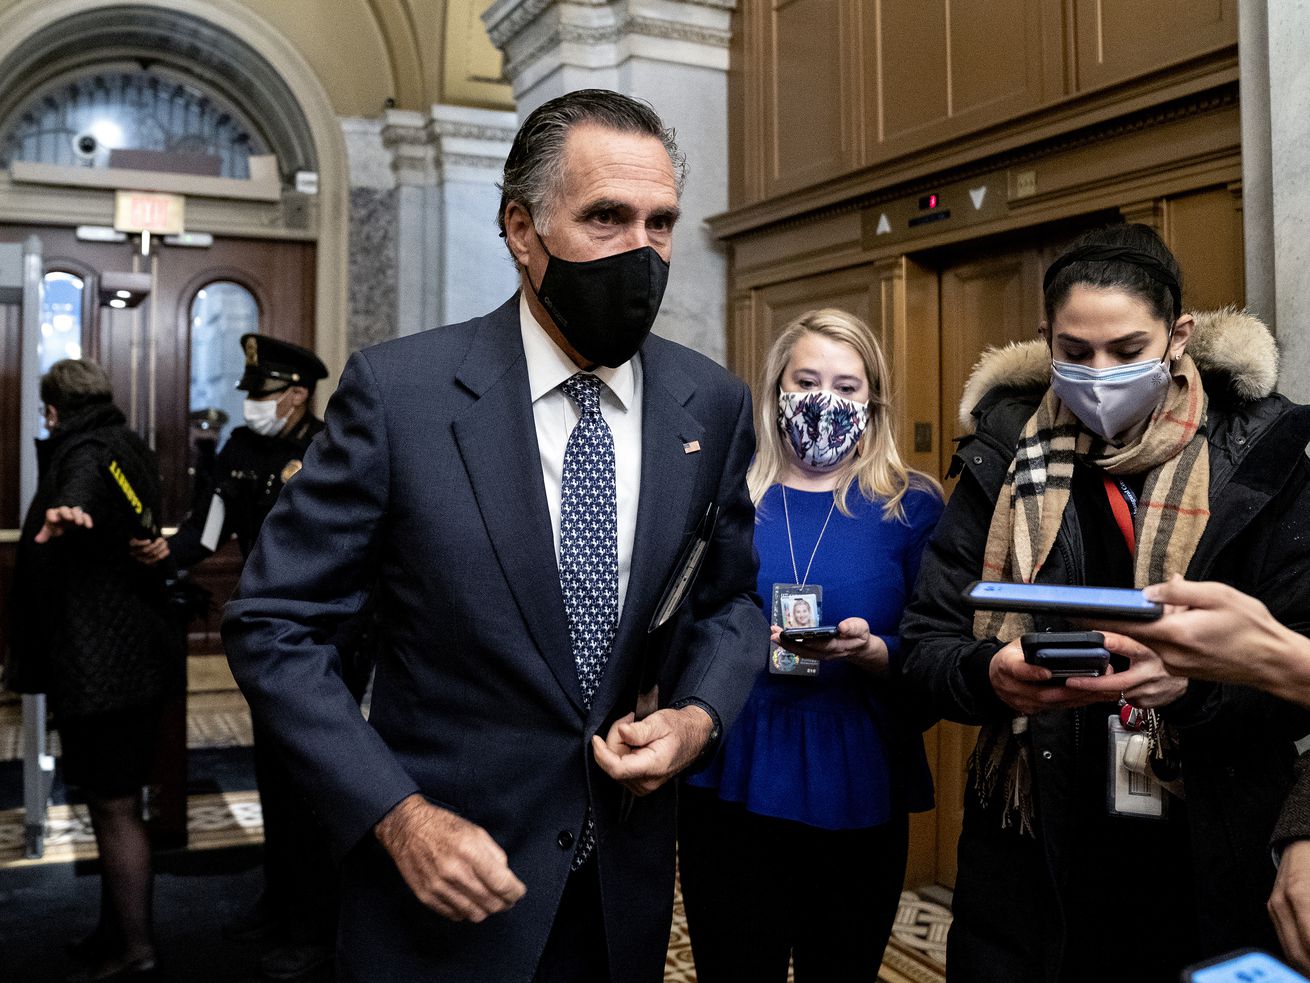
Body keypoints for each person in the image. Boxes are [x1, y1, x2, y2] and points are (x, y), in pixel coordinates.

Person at [221, 88, 766, 983]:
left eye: (660, 221)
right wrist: (396, 813)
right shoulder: (402, 397)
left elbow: (730, 601)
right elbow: (274, 626)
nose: (641, 250)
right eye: (605, 217)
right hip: (439, 892)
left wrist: (698, 716)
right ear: (522, 230)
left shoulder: (708, 402)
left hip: (619, 893)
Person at [898, 223, 1310, 982]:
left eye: (1126, 352)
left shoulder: (1262, 456)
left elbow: (1299, 676)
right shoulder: (1001, 452)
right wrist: (990, 673)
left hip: (1205, 847)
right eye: (1075, 353)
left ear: (1178, 335)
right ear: (1046, 339)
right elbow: (926, 644)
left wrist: (1195, 689)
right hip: (1033, 856)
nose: (1098, 375)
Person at [679, 308, 943, 982]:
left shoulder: (910, 505)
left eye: (848, 386)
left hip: (855, 771)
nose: (826, 400)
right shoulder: (726, 494)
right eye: (808, 379)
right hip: (735, 767)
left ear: (873, 400)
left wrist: (875, 651)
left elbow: (941, 652)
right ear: (776, 390)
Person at [137, 334, 345, 983]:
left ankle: (316, 925)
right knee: (274, 779)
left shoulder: (329, 447)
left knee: (315, 787)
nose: (254, 405)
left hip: (325, 637)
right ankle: (279, 900)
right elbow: (209, 525)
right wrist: (160, 556)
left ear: (297, 394)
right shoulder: (242, 447)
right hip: (266, 631)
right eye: (251, 394)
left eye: (265, 395)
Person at [4, 359, 178, 982]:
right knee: (117, 802)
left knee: (113, 806)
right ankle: (117, 929)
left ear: (54, 409)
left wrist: (68, 507)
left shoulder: (84, 449)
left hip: (104, 664)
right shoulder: (125, 442)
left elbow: (80, 484)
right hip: (128, 655)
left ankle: (134, 946)